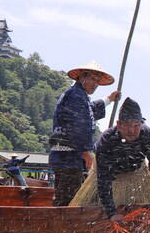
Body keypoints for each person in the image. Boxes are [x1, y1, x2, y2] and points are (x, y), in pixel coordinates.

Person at [49, 62, 120, 206]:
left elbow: (89, 111)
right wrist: (86, 152)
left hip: (67, 158)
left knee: (67, 197)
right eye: (93, 79)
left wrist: (109, 99)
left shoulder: (78, 96)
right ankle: (62, 226)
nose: (95, 84)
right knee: (69, 200)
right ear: (82, 77)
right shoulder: (76, 96)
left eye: (97, 81)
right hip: (69, 157)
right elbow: (79, 126)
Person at [94, 97, 150, 222]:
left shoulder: (149, 136)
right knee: (94, 215)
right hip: (111, 181)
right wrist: (111, 213)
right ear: (118, 124)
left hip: (138, 176)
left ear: (141, 124)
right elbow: (104, 178)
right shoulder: (107, 140)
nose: (131, 130)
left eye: (136, 125)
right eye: (127, 125)